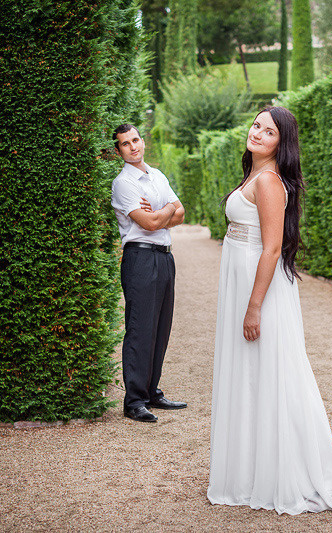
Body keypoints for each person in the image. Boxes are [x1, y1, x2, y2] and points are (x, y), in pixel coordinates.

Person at [207, 107, 332, 514]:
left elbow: (271, 248)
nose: (257, 133)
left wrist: (254, 307)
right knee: (252, 377)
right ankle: (254, 469)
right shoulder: (255, 175)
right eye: (256, 125)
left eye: (268, 131)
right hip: (244, 281)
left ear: (280, 142)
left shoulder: (270, 181)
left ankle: (291, 474)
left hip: (262, 291)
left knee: (276, 376)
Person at [111, 124, 187, 423]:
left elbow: (180, 213)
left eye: (135, 140)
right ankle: (134, 401)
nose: (133, 147)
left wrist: (161, 210)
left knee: (160, 327)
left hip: (164, 258)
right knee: (141, 329)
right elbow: (150, 223)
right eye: (125, 144)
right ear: (118, 151)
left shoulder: (157, 175)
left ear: (142, 141)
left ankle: (151, 391)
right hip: (140, 257)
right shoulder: (123, 183)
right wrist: (166, 210)